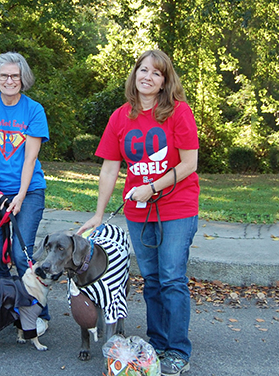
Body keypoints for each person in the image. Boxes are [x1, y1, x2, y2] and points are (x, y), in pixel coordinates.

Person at [77, 49, 199, 376]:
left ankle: (178, 350)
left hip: (177, 206)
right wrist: (99, 214)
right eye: (142, 70)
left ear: (164, 82)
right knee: (153, 279)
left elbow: (190, 163)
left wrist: (153, 187)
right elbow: (109, 169)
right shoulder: (120, 117)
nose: (147, 76)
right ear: (135, 75)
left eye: (156, 73)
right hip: (138, 211)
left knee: (172, 276)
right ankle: (157, 343)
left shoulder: (178, 112)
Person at [0, 52, 50, 334]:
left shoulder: (34, 111)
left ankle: (39, 312)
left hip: (29, 192)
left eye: (15, 75)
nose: (9, 80)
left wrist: (18, 196)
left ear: (22, 78)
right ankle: (5, 311)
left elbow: (30, 159)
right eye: (4, 75)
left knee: (20, 254)